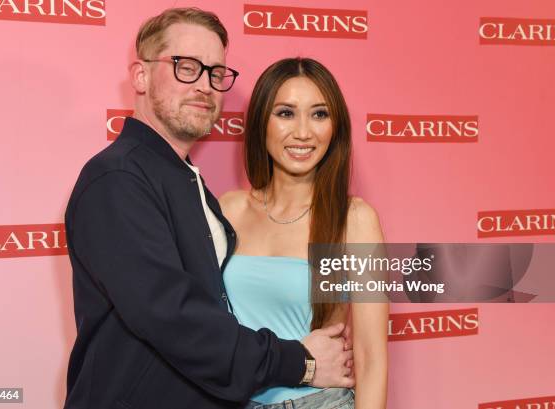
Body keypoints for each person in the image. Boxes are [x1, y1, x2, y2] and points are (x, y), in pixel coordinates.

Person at [63, 9, 354, 409]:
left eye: (216, 73)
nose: (204, 85)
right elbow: (175, 317)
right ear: (141, 76)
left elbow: (357, 352)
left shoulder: (189, 183)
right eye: (186, 67)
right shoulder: (118, 178)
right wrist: (298, 361)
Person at [220, 57, 388, 409]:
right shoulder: (229, 210)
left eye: (319, 114)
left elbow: (372, 358)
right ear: (260, 123)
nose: (303, 132)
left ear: (335, 127)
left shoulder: (352, 220)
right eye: (285, 113)